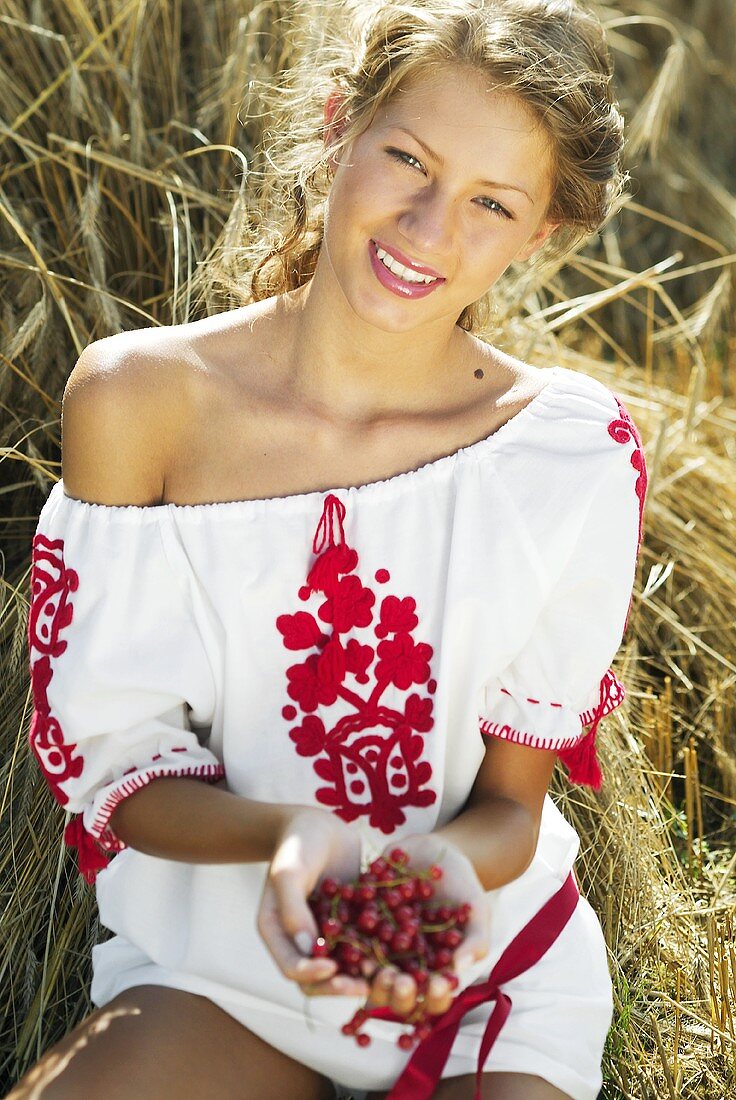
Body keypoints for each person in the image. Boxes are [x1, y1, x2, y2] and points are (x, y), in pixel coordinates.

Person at [15, 1, 648, 1098]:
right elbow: (117, 765)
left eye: (490, 204)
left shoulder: (569, 455)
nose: (426, 228)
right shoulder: (140, 401)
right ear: (336, 125)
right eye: (407, 157)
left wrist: (436, 872)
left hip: (485, 965)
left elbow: (509, 805)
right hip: (220, 964)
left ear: (538, 234)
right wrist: (297, 836)